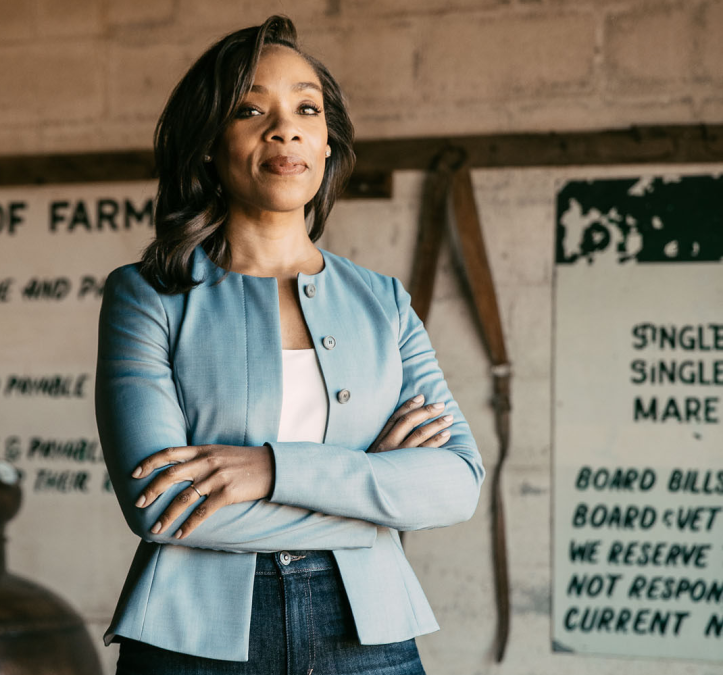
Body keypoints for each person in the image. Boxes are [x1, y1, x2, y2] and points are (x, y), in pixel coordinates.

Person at [95, 15, 484, 675]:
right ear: (210, 144)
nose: (286, 127)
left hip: (368, 638)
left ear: (327, 143)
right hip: (189, 642)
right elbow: (164, 508)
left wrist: (270, 471)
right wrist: (373, 492)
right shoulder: (145, 295)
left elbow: (456, 483)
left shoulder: (383, 303)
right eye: (251, 109)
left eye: (307, 107)